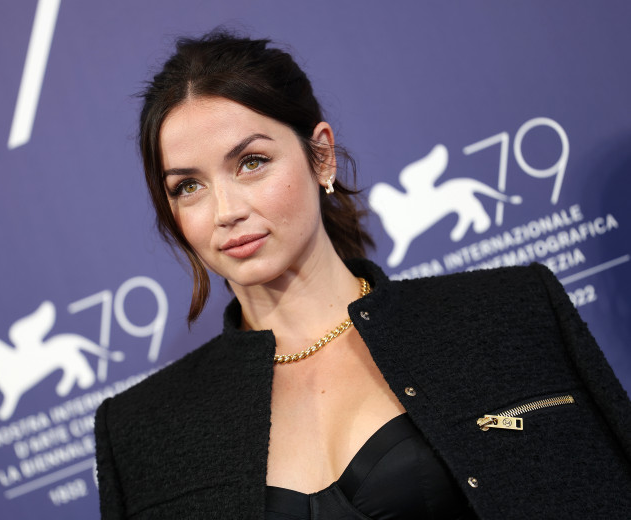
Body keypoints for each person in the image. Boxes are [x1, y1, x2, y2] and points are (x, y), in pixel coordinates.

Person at [94, 32, 631, 519]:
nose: (225, 210)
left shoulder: (509, 311)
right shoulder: (139, 431)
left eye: (251, 162)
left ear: (320, 156)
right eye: (188, 186)